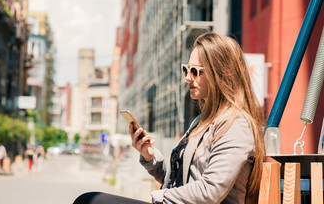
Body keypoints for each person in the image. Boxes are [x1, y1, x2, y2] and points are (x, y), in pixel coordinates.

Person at [73, 32, 265, 204]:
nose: (188, 78)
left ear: (220, 75)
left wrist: (158, 197)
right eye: (186, 70)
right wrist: (150, 156)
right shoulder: (201, 121)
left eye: (196, 71)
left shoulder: (236, 124)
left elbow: (210, 191)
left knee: (90, 201)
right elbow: (177, 182)